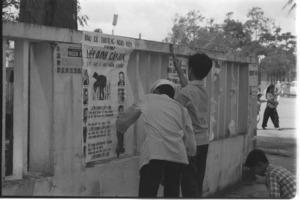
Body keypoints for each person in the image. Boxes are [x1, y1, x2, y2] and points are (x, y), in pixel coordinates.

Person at [116, 79, 196, 198]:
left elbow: (122, 122)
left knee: (147, 194)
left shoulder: (148, 98)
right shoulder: (181, 108)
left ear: (156, 91)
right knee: (172, 194)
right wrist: (188, 154)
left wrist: (120, 144)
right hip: (177, 156)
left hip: (154, 154)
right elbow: (190, 141)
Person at [170, 44, 212, 197]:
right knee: (197, 181)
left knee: (188, 185)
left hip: (191, 144)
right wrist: (177, 66)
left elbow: (174, 115)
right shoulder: (202, 91)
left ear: (191, 70)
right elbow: (187, 85)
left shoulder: (184, 93)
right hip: (204, 141)